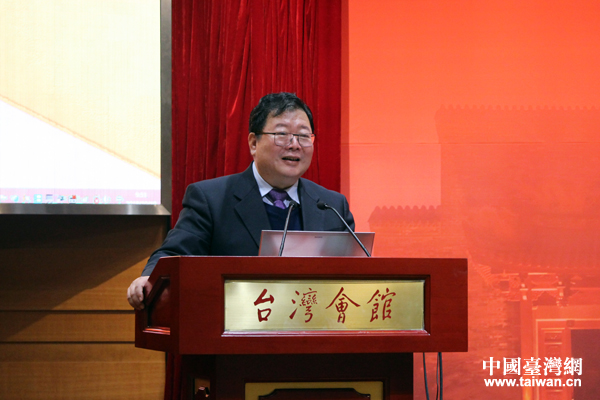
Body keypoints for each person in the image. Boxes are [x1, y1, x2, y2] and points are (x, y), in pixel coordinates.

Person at [127, 92, 354, 310]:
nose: (294, 144)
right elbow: (173, 254)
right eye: (282, 134)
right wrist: (149, 277)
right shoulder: (211, 199)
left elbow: (353, 272)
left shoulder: (332, 206)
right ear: (253, 143)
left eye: (303, 136)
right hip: (235, 326)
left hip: (312, 328)